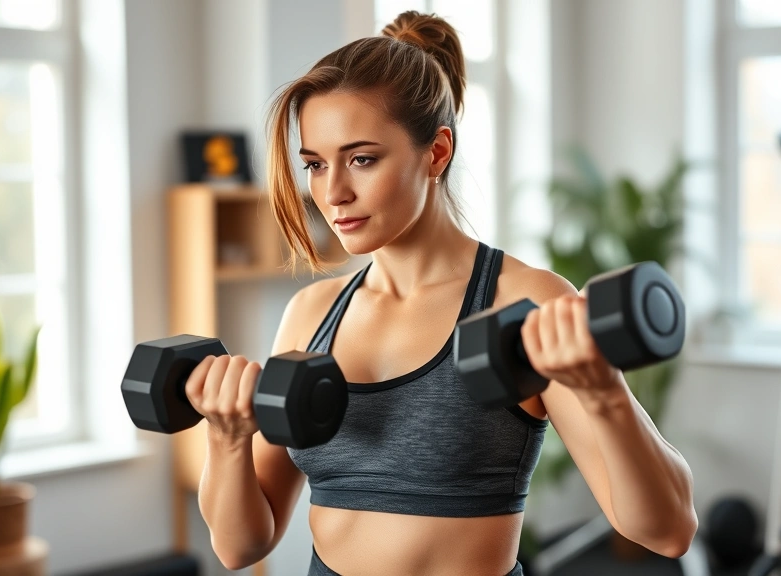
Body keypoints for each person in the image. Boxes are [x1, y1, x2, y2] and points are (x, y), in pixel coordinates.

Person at [183, 10, 697, 576]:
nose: (333, 193)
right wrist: (227, 439)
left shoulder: (523, 303)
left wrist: (603, 393)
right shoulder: (312, 313)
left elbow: (669, 530)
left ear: (437, 152)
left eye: (362, 159)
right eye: (314, 164)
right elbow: (240, 547)